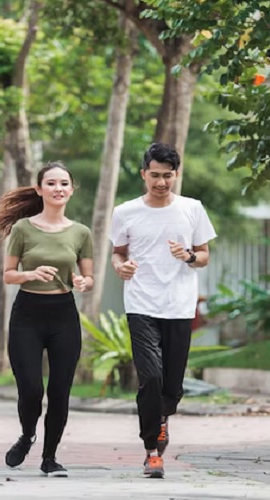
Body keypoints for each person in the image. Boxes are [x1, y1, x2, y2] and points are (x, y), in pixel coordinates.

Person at [110, 143, 217, 479]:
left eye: (167, 176)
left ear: (176, 174)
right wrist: (121, 267)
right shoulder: (125, 212)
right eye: (154, 175)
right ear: (143, 174)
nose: (160, 182)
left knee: (171, 385)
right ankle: (151, 452)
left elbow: (203, 256)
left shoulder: (192, 209)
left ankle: (161, 418)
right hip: (141, 304)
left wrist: (186, 256)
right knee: (151, 377)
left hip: (179, 306)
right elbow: (118, 253)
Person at [0, 161, 93, 478]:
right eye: (51, 183)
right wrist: (30, 274)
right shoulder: (22, 229)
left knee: (60, 391)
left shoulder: (81, 232)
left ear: (71, 190)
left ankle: (50, 457)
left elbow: (89, 277)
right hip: (27, 316)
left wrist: (84, 283)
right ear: (39, 189)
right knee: (31, 389)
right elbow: (7, 275)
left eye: (63, 183)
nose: (57, 188)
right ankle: (27, 434)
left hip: (64, 316)